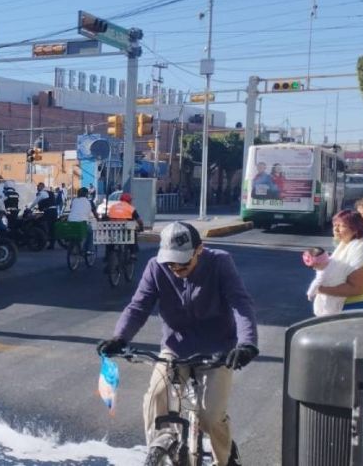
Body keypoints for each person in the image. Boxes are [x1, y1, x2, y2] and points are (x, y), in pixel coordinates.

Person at [96, 221, 258, 465]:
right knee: (155, 397)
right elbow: (138, 307)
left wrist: (247, 344)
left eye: (183, 263)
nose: (176, 268)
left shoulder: (220, 262)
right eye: (171, 262)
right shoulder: (156, 267)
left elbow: (240, 303)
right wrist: (120, 338)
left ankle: (224, 459)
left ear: (199, 250)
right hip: (176, 348)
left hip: (217, 351)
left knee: (211, 417)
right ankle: (160, 447)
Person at [315, 210, 363, 310]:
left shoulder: (358, 250)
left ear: (355, 229)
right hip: (347, 305)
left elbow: (357, 289)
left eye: (342, 226)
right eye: (335, 225)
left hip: (355, 307)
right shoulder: (346, 244)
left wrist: (321, 289)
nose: (336, 229)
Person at [303, 247, 349, 317]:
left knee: (328, 308)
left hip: (331, 292)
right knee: (336, 305)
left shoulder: (323, 272)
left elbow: (316, 283)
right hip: (340, 288)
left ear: (319, 263)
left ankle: (327, 318)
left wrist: (310, 293)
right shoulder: (333, 260)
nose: (314, 269)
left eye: (315, 266)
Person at [105, 192, 145, 259]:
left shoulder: (113, 207)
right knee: (133, 235)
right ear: (129, 201)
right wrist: (141, 227)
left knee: (110, 240)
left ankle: (107, 254)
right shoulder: (131, 208)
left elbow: (109, 217)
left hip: (113, 229)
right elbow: (139, 220)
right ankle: (132, 253)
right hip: (125, 229)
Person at [67, 187, 98, 256]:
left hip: (71, 222)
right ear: (86, 194)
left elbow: (72, 208)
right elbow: (95, 213)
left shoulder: (74, 200)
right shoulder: (89, 201)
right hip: (82, 224)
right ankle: (89, 249)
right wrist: (98, 219)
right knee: (90, 231)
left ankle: (75, 246)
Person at [29, 182, 57, 250]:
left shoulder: (42, 193)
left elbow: (35, 202)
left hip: (48, 211)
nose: (37, 188)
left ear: (41, 187)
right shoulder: (50, 192)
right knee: (52, 227)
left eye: (38, 186)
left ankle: (44, 238)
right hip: (54, 211)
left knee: (45, 225)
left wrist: (29, 208)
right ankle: (52, 244)